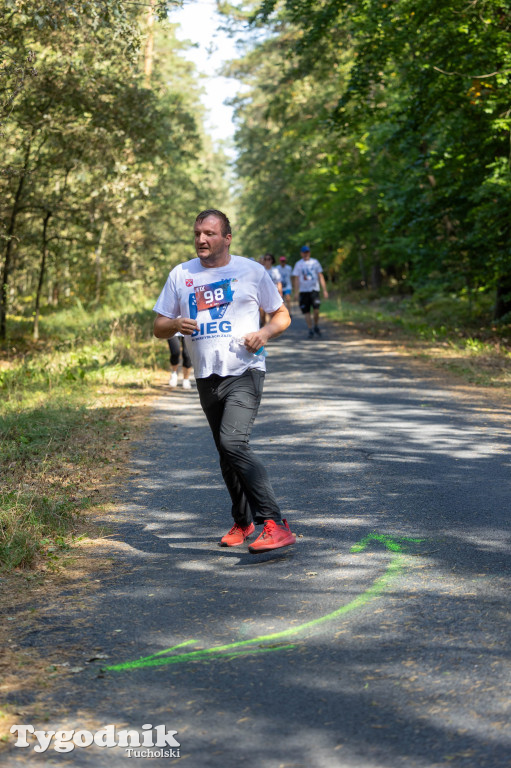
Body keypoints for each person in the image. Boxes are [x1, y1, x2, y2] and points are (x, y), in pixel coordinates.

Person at [153, 209, 296, 553]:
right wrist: (175, 325)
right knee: (224, 451)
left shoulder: (251, 271)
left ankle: (275, 523)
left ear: (226, 238)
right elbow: (159, 326)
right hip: (206, 375)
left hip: (245, 370)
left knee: (233, 443)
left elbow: (282, 315)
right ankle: (244, 522)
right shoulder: (181, 274)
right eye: (198, 233)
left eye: (210, 234)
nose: (202, 239)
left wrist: (263, 333)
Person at [292, 245, 329, 338]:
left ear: (309, 253)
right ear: (301, 254)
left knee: (316, 310)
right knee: (306, 311)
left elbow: (320, 276)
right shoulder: (298, 264)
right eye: (304, 252)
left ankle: (316, 325)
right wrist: (296, 292)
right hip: (304, 291)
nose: (306, 254)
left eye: (307, 252)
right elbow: (296, 279)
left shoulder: (315, 262)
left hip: (314, 290)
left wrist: (324, 290)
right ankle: (310, 329)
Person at [261, 253, 282, 327]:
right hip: (262, 293)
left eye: (269, 259)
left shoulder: (275, 270)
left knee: (268, 312)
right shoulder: (261, 269)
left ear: (272, 260)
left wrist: (280, 293)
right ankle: (264, 324)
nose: (267, 261)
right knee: (262, 313)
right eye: (266, 259)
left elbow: (279, 282)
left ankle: (266, 327)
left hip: (272, 293)